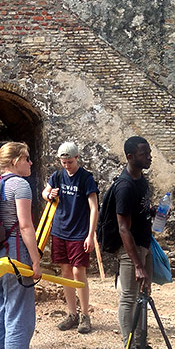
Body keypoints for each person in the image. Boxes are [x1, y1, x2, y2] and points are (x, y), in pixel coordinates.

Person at [0, 142, 49, 349]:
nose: (30, 163)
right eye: (27, 159)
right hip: (14, 253)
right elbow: (25, 226)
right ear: (14, 162)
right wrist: (36, 260)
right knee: (19, 314)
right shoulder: (19, 185)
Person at [113, 136, 165, 349]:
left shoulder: (141, 181)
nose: (149, 157)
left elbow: (139, 213)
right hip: (130, 250)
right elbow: (123, 228)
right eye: (144, 153)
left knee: (145, 294)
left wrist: (153, 212)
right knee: (129, 297)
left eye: (149, 152)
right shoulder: (124, 186)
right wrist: (136, 263)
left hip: (144, 245)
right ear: (131, 157)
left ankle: (142, 346)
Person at [42, 142, 99, 334]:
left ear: (77, 158)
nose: (67, 165)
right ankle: (71, 314)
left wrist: (90, 235)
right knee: (65, 272)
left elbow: (94, 208)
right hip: (59, 230)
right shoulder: (57, 176)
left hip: (79, 232)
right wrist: (49, 194)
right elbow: (45, 193)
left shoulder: (86, 178)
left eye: (70, 162)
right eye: (63, 162)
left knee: (78, 272)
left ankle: (85, 315)